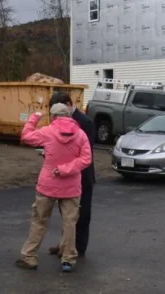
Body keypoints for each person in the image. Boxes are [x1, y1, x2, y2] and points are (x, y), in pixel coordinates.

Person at [15, 104, 92, 273]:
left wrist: (35, 117)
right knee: (70, 223)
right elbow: (86, 159)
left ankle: (30, 256)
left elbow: (26, 136)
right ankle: (68, 259)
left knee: (39, 221)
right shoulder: (80, 134)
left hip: (47, 185)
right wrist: (66, 169)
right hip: (71, 186)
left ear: (53, 116)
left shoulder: (48, 132)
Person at [46, 91, 96, 258]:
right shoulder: (60, 121)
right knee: (67, 213)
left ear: (68, 104)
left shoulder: (85, 122)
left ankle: (78, 246)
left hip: (81, 174)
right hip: (64, 174)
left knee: (82, 212)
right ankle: (65, 244)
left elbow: (86, 153)